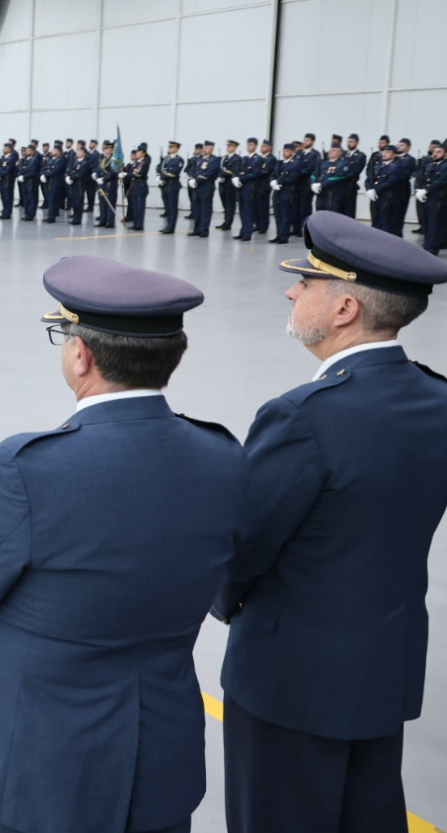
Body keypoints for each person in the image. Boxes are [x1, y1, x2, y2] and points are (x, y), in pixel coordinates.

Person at [0, 255, 246, 833]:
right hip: (159, 755)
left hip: (35, 764)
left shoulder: (28, 468)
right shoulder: (223, 455)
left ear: (81, 355)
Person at [213, 211, 447, 833]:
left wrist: (224, 600)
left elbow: (244, 544)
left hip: (291, 677)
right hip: (383, 665)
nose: (292, 291)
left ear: (344, 308)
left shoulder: (301, 417)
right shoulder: (437, 400)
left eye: (307, 282)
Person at [269, 143, 301, 245]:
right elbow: (273, 175)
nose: (284, 153)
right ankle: (278, 235)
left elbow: (292, 178)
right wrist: (272, 182)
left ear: (292, 152)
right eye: (284, 151)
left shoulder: (295, 163)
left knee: (285, 215)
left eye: (287, 151)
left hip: (287, 192)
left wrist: (278, 182)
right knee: (277, 215)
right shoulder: (280, 163)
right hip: (277, 192)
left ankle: (284, 236)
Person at [125, 144, 151, 232]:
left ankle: (139, 225)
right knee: (135, 207)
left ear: (144, 153)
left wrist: (127, 175)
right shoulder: (137, 162)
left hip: (141, 187)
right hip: (134, 187)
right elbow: (131, 170)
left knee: (140, 207)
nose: (137, 153)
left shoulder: (144, 162)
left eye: (139, 151)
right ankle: (136, 224)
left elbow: (138, 173)